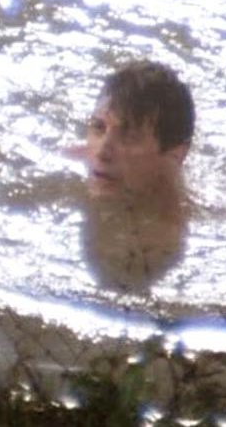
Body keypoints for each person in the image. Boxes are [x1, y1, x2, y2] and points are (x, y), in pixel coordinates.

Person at [77, 60, 195, 289]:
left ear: (175, 154)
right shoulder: (75, 161)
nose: (102, 152)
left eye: (128, 136)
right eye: (98, 127)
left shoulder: (166, 238)